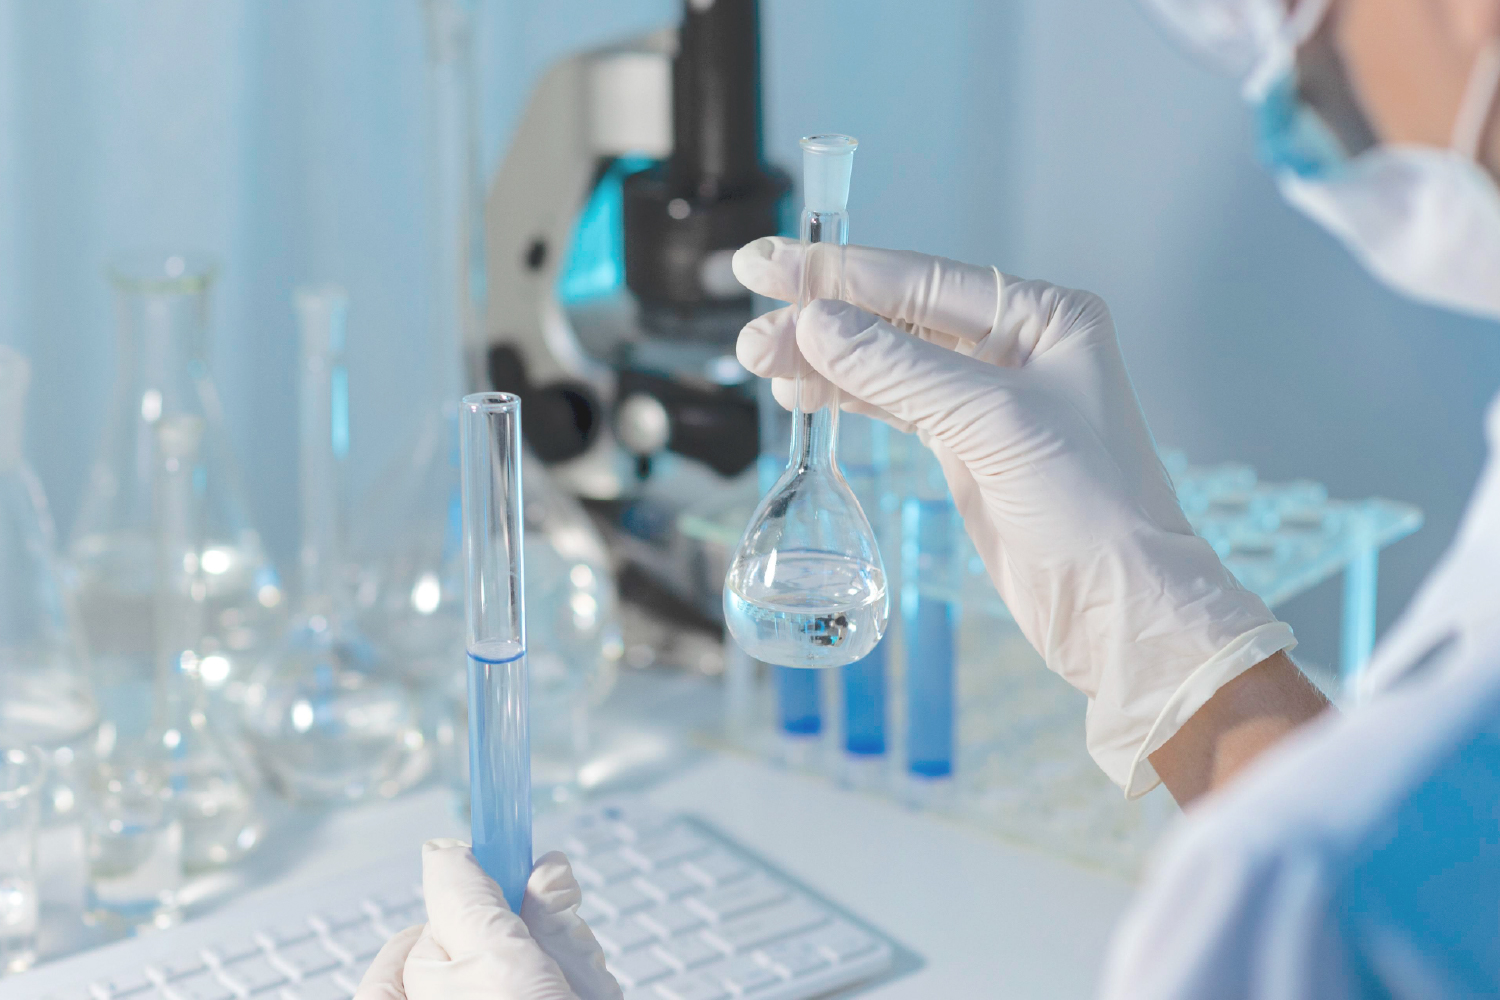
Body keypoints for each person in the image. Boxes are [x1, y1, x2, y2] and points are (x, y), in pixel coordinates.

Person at [355, 0, 1500, 996]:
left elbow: (1366, 889)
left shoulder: (1292, 896)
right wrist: (1182, 655)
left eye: (1295, 17)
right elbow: (1457, 897)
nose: (1292, 82)